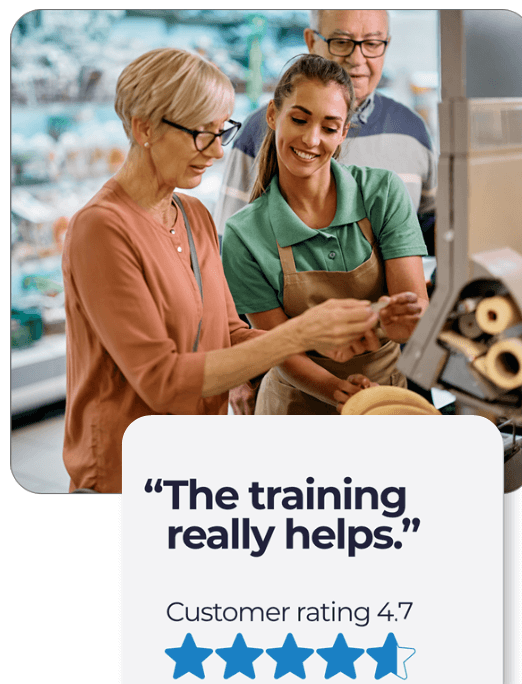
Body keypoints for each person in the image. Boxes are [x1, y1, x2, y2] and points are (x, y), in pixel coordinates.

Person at [61, 48, 384, 493]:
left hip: (193, 468)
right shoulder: (100, 229)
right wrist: (300, 333)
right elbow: (162, 381)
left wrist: (325, 359)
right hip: (124, 476)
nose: (216, 151)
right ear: (144, 128)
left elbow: (228, 332)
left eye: (222, 132)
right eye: (201, 134)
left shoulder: (193, 215)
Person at [222, 55, 429, 415]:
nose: (311, 139)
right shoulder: (244, 235)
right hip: (293, 407)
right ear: (273, 115)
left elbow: (413, 312)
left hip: (385, 399)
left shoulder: (381, 193)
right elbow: (280, 348)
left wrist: (403, 324)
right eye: (299, 120)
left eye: (330, 128)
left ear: (344, 132)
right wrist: (338, 389)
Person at [214, 9, 437, 253]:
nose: (357, 58)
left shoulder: (412, 130)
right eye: (341, 42)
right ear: (311, 41)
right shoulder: (262, 129)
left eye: (372, 43)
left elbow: (430, 228)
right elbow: (228, 244)